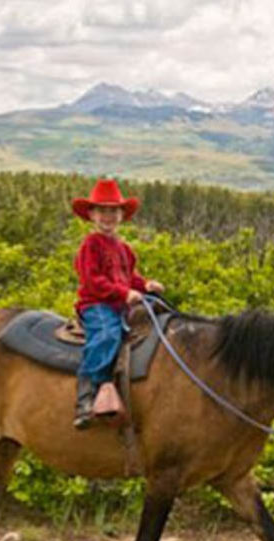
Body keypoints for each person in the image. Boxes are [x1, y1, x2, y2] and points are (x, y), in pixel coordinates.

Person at [71, 177, 164, 429]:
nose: (108, 216)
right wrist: (123, 293)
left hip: (120, 305)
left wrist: (144, 286)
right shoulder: (91, 244)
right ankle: (87, 394)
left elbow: (129, 277)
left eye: (113, 211)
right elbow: (92, 281)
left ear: (122, 215)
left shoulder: (124, 248)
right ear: (91, 214)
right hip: (97, 305)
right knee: (107, 335)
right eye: (102, 211)